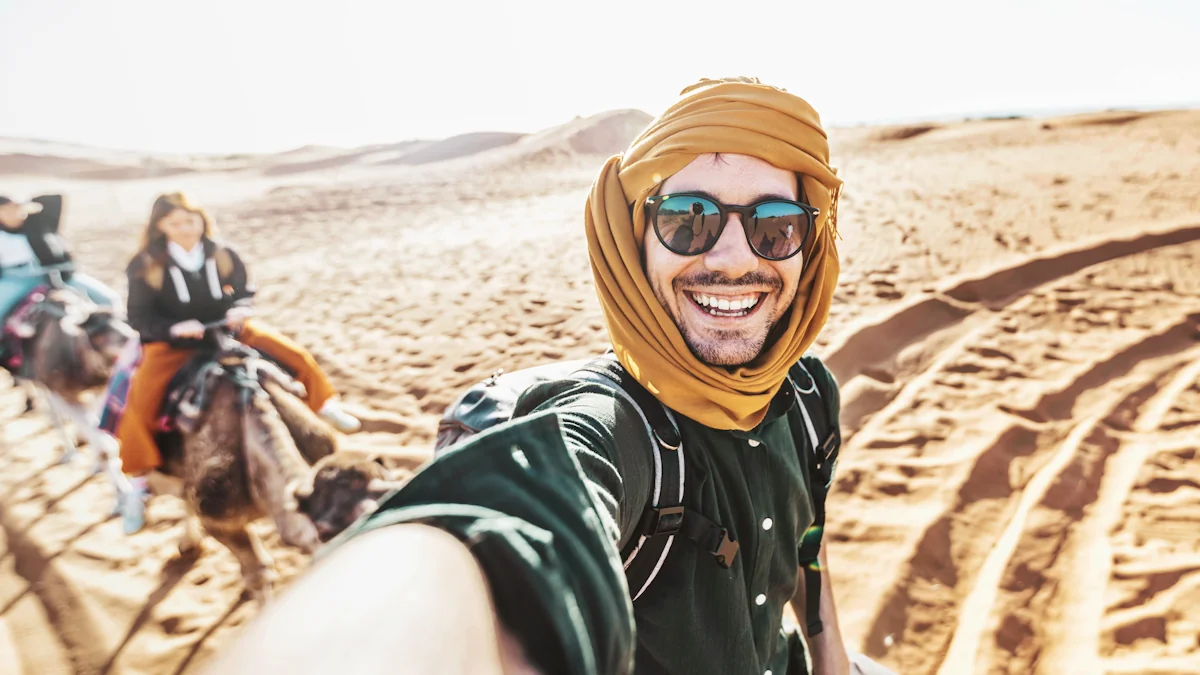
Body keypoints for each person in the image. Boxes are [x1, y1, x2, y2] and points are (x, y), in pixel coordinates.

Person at [209, 78, 893, 675]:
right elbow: (490, 535)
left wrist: (831, 662)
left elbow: (807, 544)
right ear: (635, 238)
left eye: (775, 226)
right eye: (690, 221)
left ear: (814, 244)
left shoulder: (808, 395)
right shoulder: (613, 426)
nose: (734, 258)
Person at [114, 192, 361, 534]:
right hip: (175, 344)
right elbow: (138, 316)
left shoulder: (222, 253)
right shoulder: (145, 264)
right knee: (140, 402)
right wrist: (173, 328)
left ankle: (325, 405)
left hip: (229, 331)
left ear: (202, 219)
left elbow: (244, 287)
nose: (185, 228)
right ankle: (139, 482)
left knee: (295, 355)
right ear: (161, 227)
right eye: (176, 223)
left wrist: (241, 308)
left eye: (191, 220)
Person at [0, 193, 121, 320]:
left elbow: (54, 200)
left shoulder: (39, 223)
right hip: (16, 278)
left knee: (108, 299)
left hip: (55, 273)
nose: (11, 213)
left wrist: (24, 201)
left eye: (13, 208)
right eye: (4, 210)